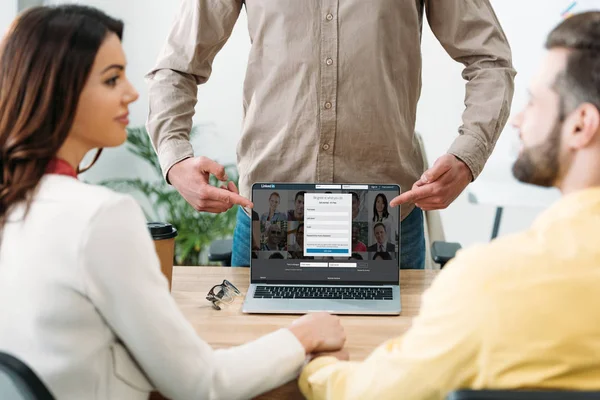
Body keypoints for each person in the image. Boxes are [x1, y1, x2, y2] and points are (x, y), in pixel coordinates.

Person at [0, 6, 346, 400]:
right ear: (57, 90)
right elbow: (203, 385)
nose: (132, 93)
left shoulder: (17, 205)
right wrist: (303, 334)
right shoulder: (100, 218)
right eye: (112, 79)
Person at [299, 12, 600, 399]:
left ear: (580, 125)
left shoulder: (490, 284)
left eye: (534, 101)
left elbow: (374, 393)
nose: (518, 120)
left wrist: (317, 365)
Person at [146, 0, 516, 268]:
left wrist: (468, 155)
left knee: (385, 371)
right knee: (263, 369)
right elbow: (176, 67)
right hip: (270, 218)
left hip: (387, 223)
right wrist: (175, 156)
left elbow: (490, 61)